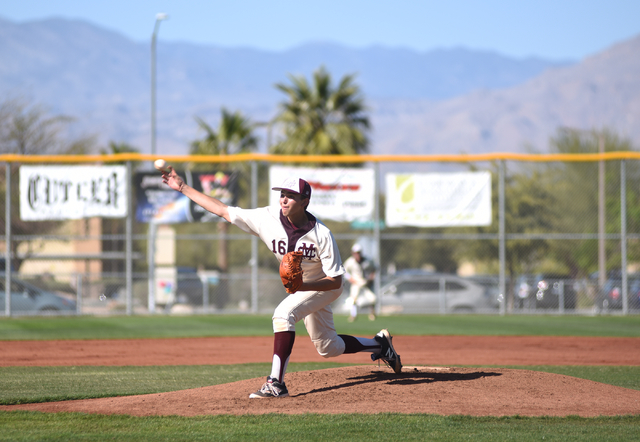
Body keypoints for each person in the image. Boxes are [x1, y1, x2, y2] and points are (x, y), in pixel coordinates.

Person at [160, 170, 402, 398]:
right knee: (328, 347)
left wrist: (302, 287)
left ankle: (276, 383)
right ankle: (380, 345)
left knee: (283, 314)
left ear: (305, 201)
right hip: (305, 287)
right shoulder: (267, 218)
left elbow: (336, 280)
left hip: (324, 286)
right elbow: (224, 210)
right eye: (282, 195)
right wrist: (182, 187)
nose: (284, 200)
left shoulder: (322, 235)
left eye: (291, 196)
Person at [344, 243, 378, 322]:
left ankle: (372, 313)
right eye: (356, 253)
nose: (357, 255)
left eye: (358, 253)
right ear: (353, 253)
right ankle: (353, 315)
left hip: (365, 282)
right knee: (353, 299)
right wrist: (350, 278)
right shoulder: (350, 262)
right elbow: (344, 270)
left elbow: (375, 268)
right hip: (356, 282)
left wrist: (372, 276)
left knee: (373, 298)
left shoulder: (367, 261)